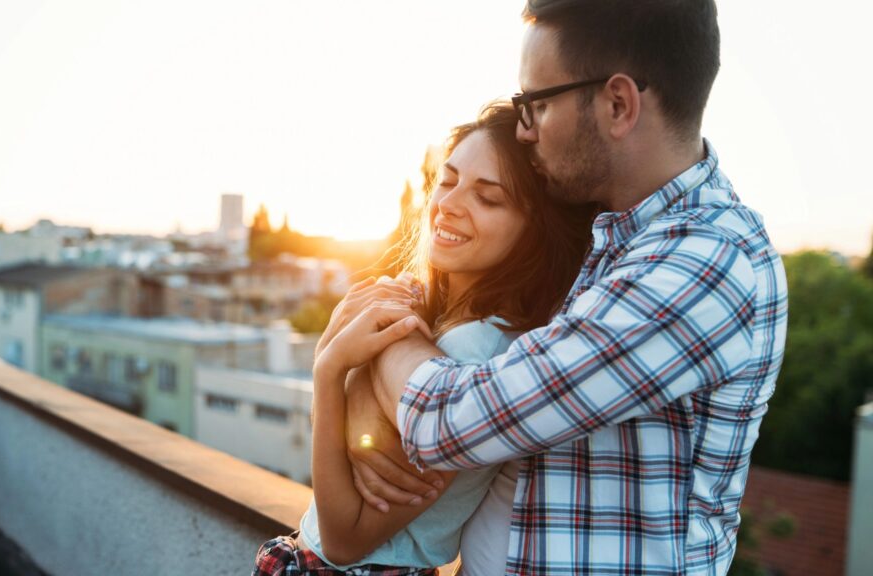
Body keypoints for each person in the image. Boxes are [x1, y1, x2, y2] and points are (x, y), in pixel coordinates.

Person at [337, 1, 789, 575]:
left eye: (538, 103)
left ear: (618, 104)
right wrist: (362, 384)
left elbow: (450, 420)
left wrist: (378, 343)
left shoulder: (703, 264)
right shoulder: (607, 229)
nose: (523, 129)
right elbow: (451, 293)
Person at [253, 102, 595, 575]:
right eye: (448, 180)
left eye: (488, 197)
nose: (448, 204)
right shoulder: (434, 318)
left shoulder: (476, 352)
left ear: (533, 231)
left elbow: (344, 536)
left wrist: (330, 372)